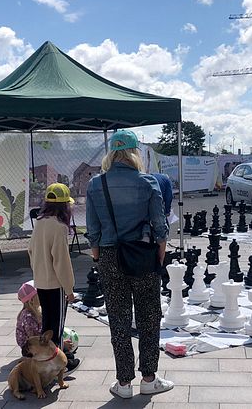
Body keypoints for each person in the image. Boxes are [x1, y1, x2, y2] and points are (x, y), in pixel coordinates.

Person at [85, 129, 173, 399]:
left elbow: (93, 228)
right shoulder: (148, 183)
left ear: (111, 152)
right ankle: (149, 378)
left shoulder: (95, 184)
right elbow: (160, 226)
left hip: (110, 256)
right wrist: (160, 253)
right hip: (143, 254)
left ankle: (123, 383)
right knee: (149, 317)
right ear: (136, 153)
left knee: (118, 321)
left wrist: (99, 257)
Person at [28, 182, 80, 373]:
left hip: (41, 281)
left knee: (47, 325)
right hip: (55, 284)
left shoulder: (40, 222)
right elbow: (61, 262)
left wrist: (38, 271)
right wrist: (70, 289)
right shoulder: (59, 227)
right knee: (56, 328)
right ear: (65, 205)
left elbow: (31, 250)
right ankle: (58, 365)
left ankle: (45, 359)